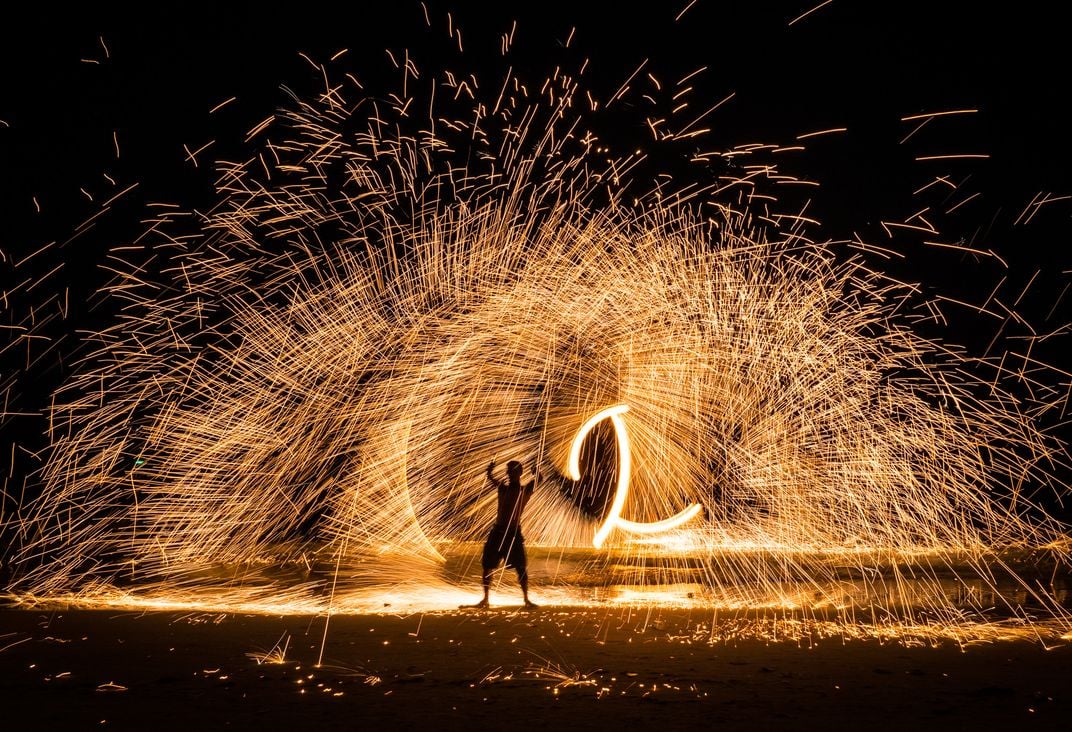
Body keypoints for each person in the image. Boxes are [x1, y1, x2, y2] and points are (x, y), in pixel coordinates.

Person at [472, 459, 538, 609]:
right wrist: (489, 472)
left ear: (520, 473)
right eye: (508, 471)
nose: (509, 474)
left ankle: (526, 599)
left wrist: (537, 472)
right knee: (488, 565)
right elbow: (492, 480)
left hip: (513, 533)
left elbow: (538, 480)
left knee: (521, 566)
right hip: (498, 531)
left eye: (513, 471)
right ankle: (485, 599)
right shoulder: (503, 488)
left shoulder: (524, 490)